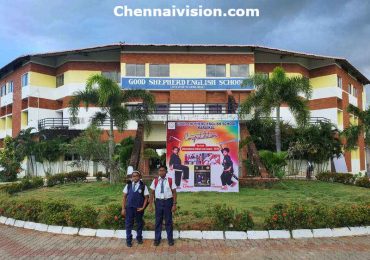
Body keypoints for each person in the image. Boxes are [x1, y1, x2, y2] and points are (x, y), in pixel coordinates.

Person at [149, 165, 177, 246]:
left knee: (168, 221)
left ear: (166, 172)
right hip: (158, 202)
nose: (161, 172)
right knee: (158, 221)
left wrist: (174, 204)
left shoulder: (170, 180)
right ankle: (157, 239)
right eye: (160, 170)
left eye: (163, 170)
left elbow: (174, 192)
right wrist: (150, 205)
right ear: (158, 172)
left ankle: (170, 239)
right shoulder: (155, 181)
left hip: (168, 202)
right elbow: (152, 193)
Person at [121, 170, 149, 247]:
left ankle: (139, 238)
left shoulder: (143, 186)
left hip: (138, 209)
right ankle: (128, 240)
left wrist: (143, 207)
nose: (135, 177)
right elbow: (124, 197)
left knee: (139, 224)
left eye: (136, 176)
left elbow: (146, 198)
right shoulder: (128, 185)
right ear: (132, 177)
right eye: (133, 176)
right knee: (128, 224)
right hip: (129, 208)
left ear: (139, 177)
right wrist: (123, 209)